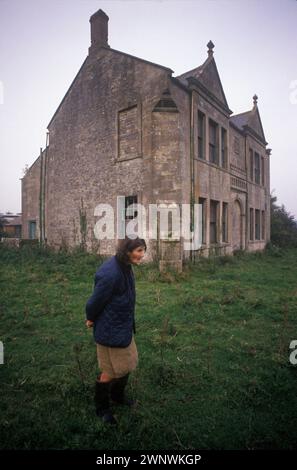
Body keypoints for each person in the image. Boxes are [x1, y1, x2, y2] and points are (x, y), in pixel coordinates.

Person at [85, 236, 147, 425]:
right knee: (109, 371)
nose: (142, 256)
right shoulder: (111, 273)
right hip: (109, 328)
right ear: (127, 251)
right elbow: (95, 301)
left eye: (143, 251)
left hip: (122, 325)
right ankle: (102, 408)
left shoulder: (125, 265)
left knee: (126, 364)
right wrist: (91, 317)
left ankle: (117, 397)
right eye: (139, 251)